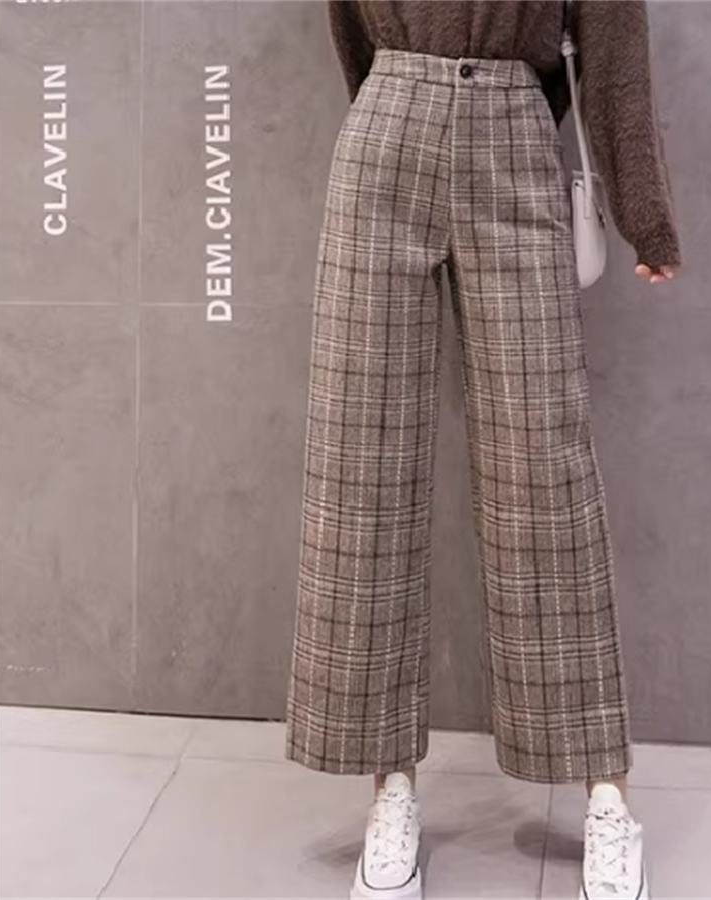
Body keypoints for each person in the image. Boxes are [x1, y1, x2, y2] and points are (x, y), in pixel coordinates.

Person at [285, 1, 682, 898]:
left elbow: (613, 40)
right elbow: (349, 25)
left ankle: (606, 795)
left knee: (545, 469)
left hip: (512, 134)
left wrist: (644, 211)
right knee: (361, 466)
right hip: (385, 132)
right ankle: (389, 789)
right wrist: (403, 94)